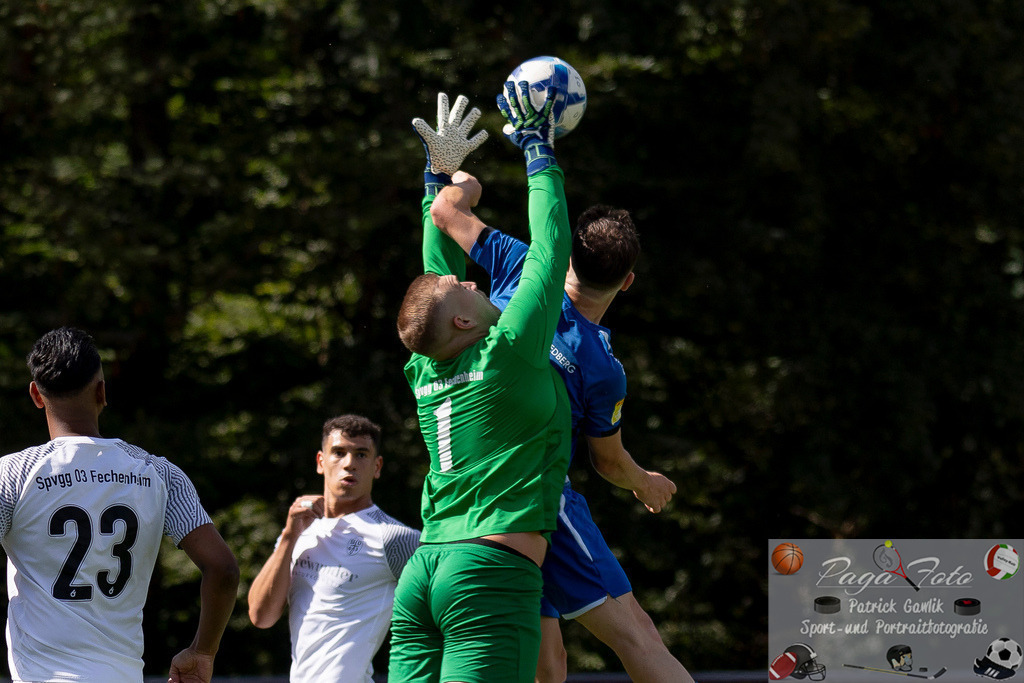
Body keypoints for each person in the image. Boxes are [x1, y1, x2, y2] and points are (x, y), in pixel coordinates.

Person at [432, 176, 695, 683]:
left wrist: (466, 182)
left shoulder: (521, 265)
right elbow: (609, 463)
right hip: (537, 496)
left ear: (567, 256)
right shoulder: (602, 367)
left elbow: (444, 212)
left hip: (468, 495)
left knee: (546, 666)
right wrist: (646, 482)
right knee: (638, 637)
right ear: (627, 281)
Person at [387, 87, 572, 683]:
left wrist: (436, 178)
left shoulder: (425, 365)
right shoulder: (509, 352)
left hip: (426, 573)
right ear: (465, 320)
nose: (478, 284)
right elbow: (548, 250)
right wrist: (537, 151)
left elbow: (434, 274)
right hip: (488, 573)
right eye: (469, 288)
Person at [0, 326, 239, 683]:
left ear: (36, 395)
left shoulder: (12, 473)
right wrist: (202, 651)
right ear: (102, 392)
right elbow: (223, 569)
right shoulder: (159, 473)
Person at [247, 413, 420, 683]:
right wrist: (290, 535)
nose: (349, 463)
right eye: (338, 452)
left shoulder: (396, 538)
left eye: (361, 454)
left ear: (377, 466)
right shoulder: (300, 528)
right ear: (320, 461)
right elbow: (261, 616)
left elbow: (447, 610)